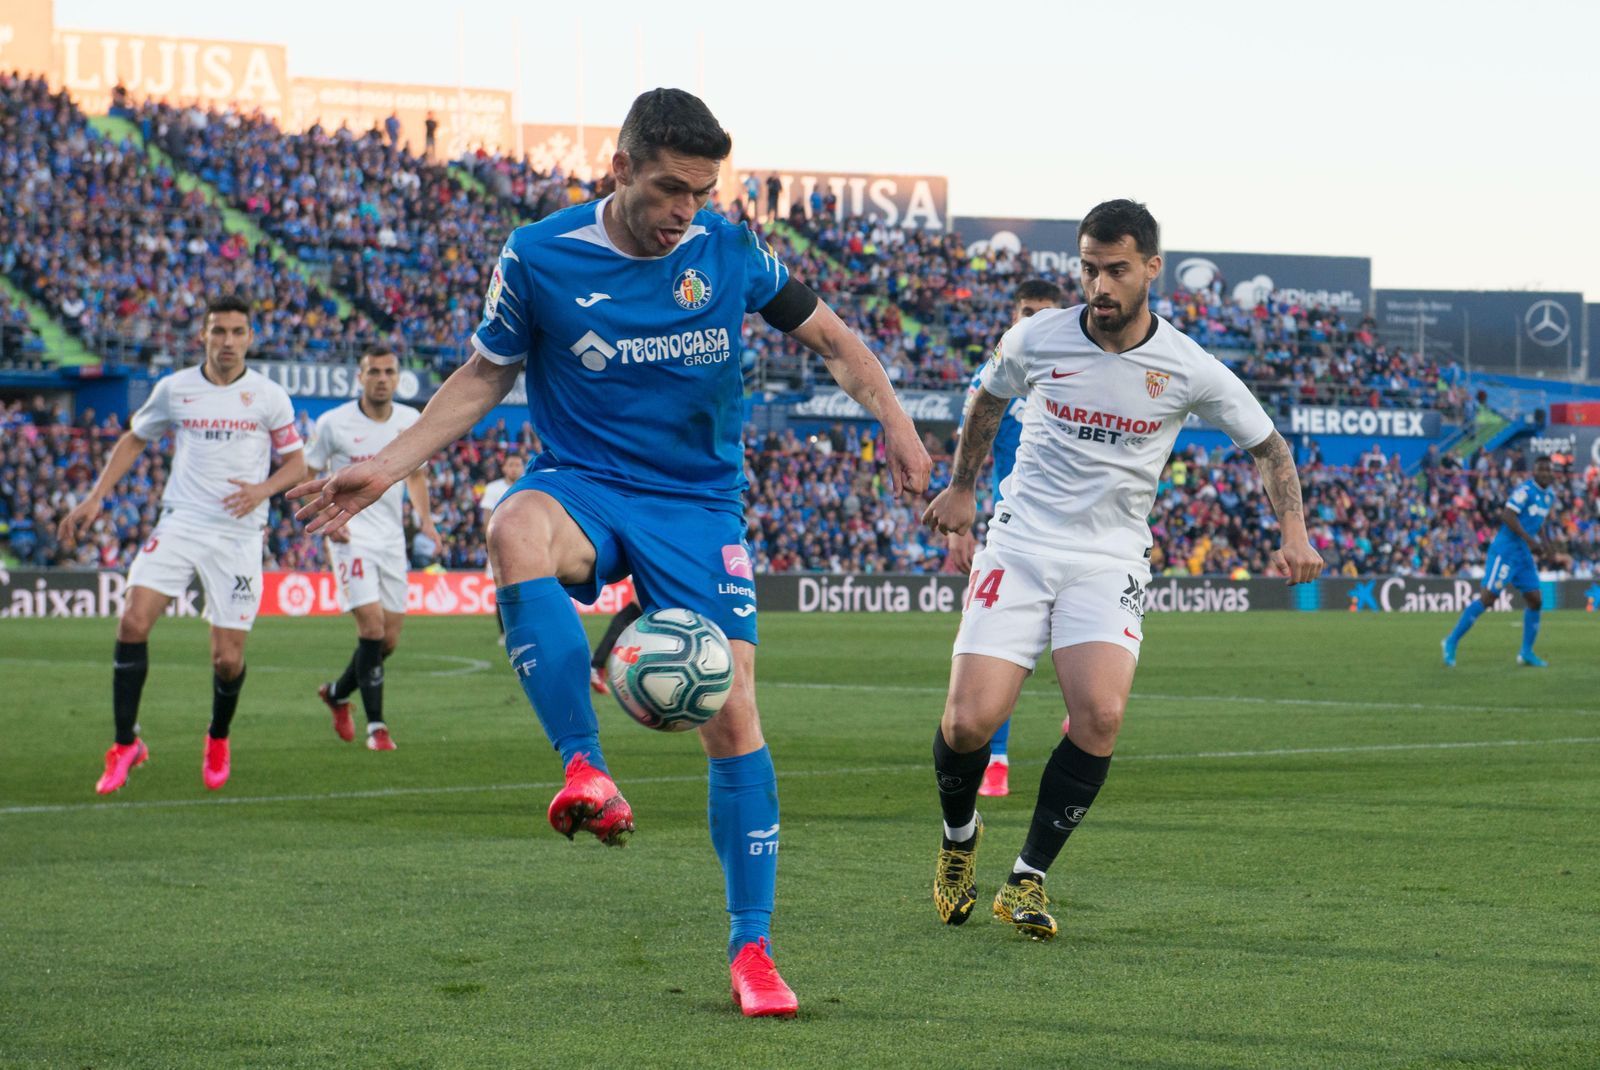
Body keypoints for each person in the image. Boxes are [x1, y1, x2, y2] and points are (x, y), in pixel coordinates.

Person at [294, 88, 931, 1016]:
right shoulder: (540, 255)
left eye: (703, 192)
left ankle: (752, 951)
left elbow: (836, 341)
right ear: (622, 167)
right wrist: (387, 466)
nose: (687, 211)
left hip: (698, 505)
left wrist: (900, 430)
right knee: (512, 525)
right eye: (672, 188)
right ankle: (585, 767)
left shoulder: (730, 250)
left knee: (735, 709)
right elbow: (483, 375)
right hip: (584, 482)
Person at [922, 200, 1321, 940]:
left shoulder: (1187, 365)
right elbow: (986, 400)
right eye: (1088, 269)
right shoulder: (1037, 338)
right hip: (1021, 543)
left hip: (1109, 558)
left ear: (1150, 270)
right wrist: (966, 486)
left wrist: (1293, 531)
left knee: (1101, 716)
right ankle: (957, 841)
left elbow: (1269, 447)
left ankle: (1027, 879)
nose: (1099, 286)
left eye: (1115, 270)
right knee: (969, 721)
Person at [58, 294, 307, 794]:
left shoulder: (268, 396)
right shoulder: (175, 390)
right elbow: (134, 438)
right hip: (181, 522)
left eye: (238, 332)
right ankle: (125, 743)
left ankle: (218, 736)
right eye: (219, 331)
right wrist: (94, 498)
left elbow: (297, 464)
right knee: (131, 621)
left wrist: (261, 490)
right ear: (204, 335)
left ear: (251, 337)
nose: (228, 341)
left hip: (238, 533)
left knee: (227, 659)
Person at [945, 278, 1064, 798]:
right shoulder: (993, 375)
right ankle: (996, 759)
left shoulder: (1081, 373)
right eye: (1027, 311)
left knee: (1082, 640)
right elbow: (970, 449)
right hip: (1013, 530)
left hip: (1080, 534)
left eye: (1045, 314)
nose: (1034, 321)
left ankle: (1079, 718)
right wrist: (961, 527)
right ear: (1014, 315)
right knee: (995, 645)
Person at [308, 348, 440, 750]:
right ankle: (377, 727)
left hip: (390, 540)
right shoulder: (333, 424)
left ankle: (336, 693)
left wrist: (427, 521)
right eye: (374, 372)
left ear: (398, 378)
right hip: (350, 536)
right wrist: (330, 520)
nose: (382, 378)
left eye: (389, 372)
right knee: (371, 627)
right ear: (360, 378)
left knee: (389, 640)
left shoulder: (409, 421)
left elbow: (416, 476)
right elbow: (312, 472)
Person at [1442, 454, 1558, 668]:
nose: (1545, 473)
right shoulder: (1525, 491)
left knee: (1535, 600)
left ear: (1552, 473)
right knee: (1488, 598)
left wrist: (1547, 546)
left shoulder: (1549, 495)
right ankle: (1450, 641)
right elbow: (1507, 516)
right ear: (1534, 471)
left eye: (1548, 469)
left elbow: (1539, 522)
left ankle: (1526, 653)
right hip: (1506, 551)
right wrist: (1529, 539)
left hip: (1523, 554)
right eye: (1541, 469)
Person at [479, 453, 525, 636]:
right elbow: (486, 517)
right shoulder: (493, 488)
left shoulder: (529, 486)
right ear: (504, 467)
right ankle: (504, 632)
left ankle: (523, 628)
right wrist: (490, 544)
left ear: (522, 467)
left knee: (526, 587)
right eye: (511, 465)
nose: (514, 468)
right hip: (500, 545)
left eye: (517, 465)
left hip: (526, 545)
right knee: (502, 587)